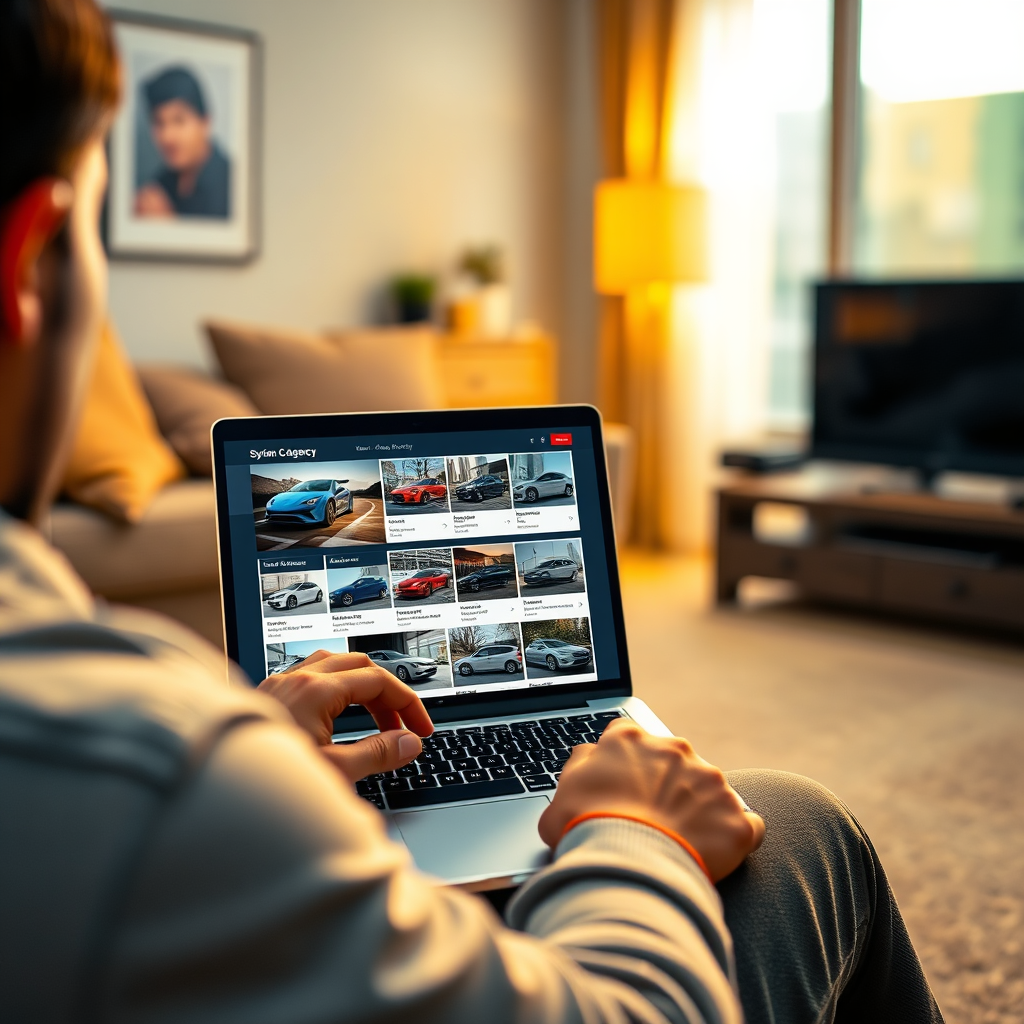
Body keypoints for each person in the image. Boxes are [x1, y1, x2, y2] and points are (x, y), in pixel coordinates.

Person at [0, 2, 943, 1022]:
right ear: (31, 254)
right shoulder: (155, 766)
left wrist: (251, 745)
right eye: (97, 224)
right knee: (809, 822)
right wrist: (631, 832)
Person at [134, 65, 230, 218]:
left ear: (205, 122)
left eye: (179, 121)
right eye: (159, 123)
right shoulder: (160, 184)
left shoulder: (232, 184)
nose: (167, 137)